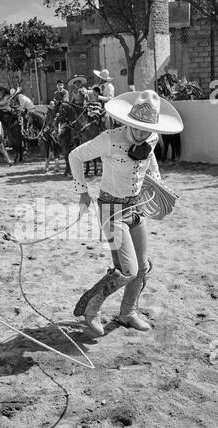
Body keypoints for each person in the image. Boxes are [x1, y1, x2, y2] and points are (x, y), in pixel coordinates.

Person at [68, 89, 183, 336]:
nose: (142, 134)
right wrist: (83, 192)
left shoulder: (151, 138)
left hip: (135, 207)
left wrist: (156, 180)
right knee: (128, 270)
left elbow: (150, 157)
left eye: (147, 129)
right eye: (137, 127)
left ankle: (128, 313)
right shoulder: (109, 138)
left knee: (141, 268)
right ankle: (92, 307)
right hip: (111, 209)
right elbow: (75, 156)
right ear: (128, 121)